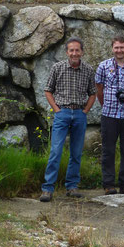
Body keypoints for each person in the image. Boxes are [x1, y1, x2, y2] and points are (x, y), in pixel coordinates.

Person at [40, 38, 97, 202]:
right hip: (62, 113)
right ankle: (48, 188)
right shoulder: (57, 68)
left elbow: (92, 93)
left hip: (79, 113)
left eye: (77, 50)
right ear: (66, 52)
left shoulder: (88, 70)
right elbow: (48, 90)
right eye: (71, 50)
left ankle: (72, 186)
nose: (74, 53)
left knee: (76, 153)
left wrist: (85, 110)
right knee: (55, 151)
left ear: (82, 52)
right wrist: (56, 110)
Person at [95, 36, 124, 195]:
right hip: (109, 114)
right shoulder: (103, 66)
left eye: (122, 47)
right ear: (112, 48)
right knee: (108, 150)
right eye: (116, 47)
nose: (119, 50)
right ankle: (108, 184)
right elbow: (99, 89)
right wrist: (107, 104)